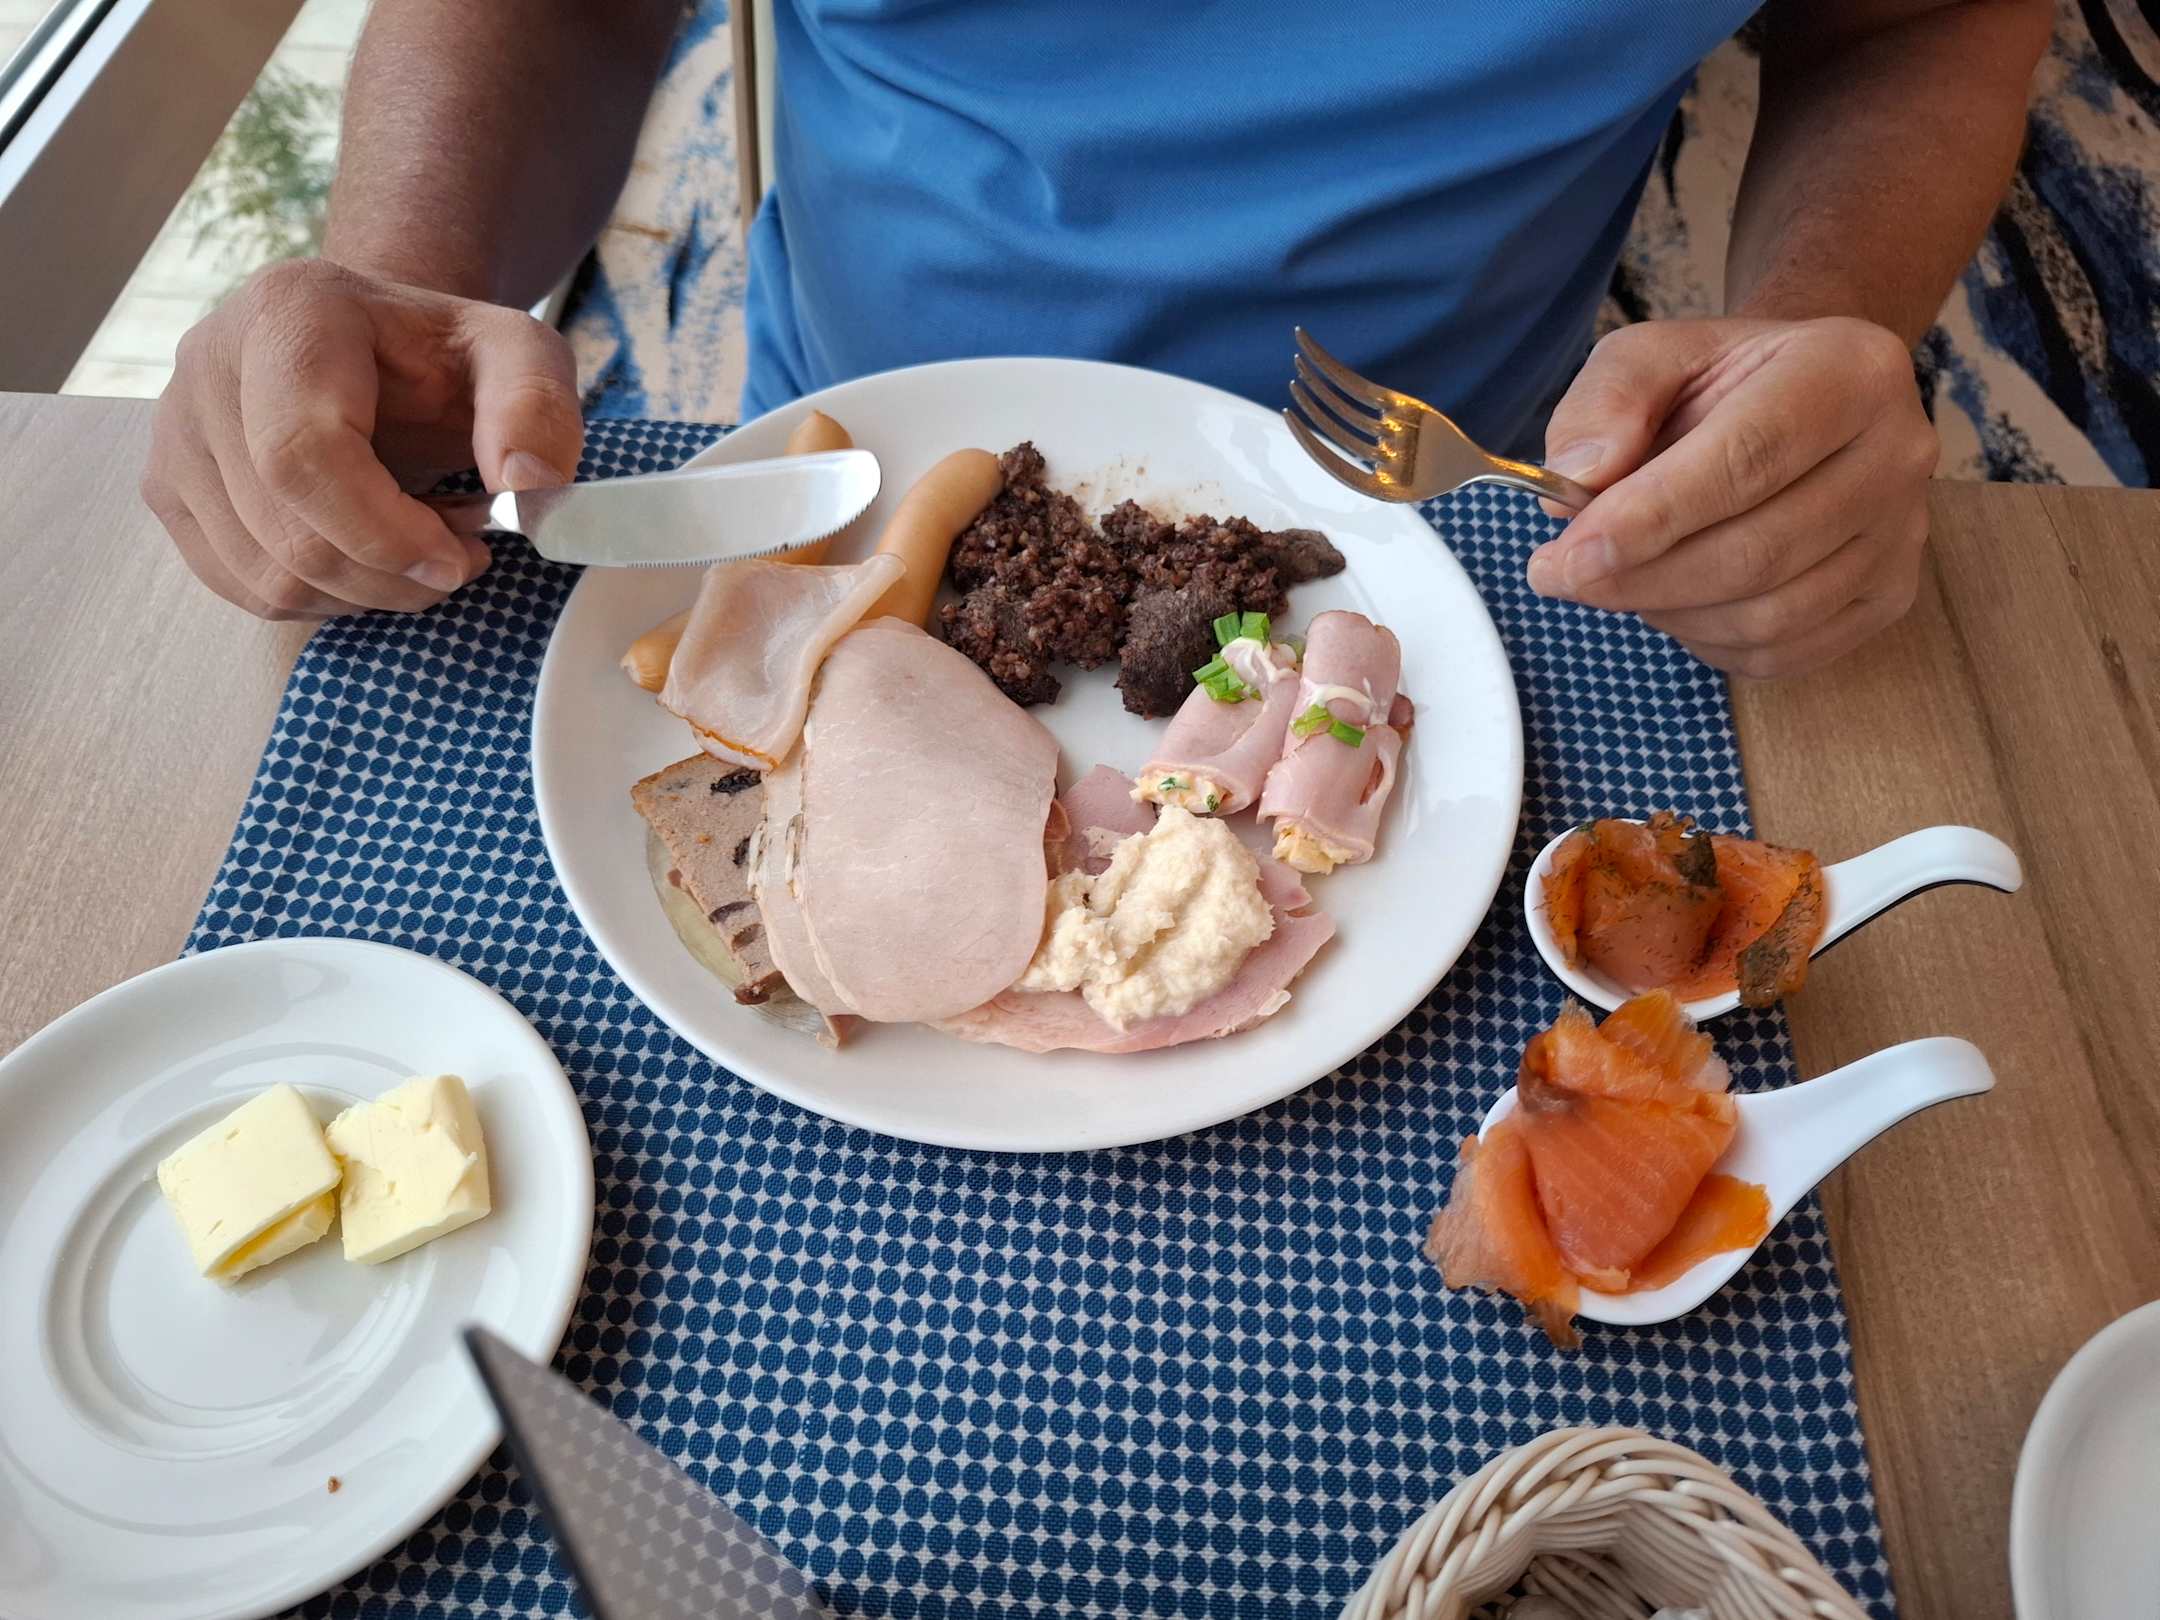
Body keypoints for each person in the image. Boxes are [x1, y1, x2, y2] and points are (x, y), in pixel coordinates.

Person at [140, 1, 2051, 676]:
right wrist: (402, 288)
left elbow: (1911, 20)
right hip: (829, 466)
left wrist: (1808, 333)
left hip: (1476, 511)